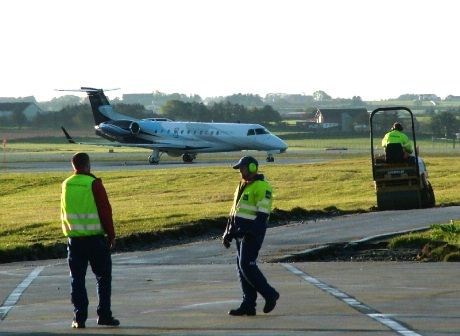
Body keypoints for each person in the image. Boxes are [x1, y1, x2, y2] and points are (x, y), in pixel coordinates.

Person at [61, 152, 120, 329]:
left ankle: (79, 318)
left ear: (73, 166)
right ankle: (104, 314)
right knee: (103, 277)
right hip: (95, 239)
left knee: (77, 279)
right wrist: (111, 235)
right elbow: (105, 211)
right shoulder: (93, 183)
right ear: (88, 165)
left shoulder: (66, 184)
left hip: (75, 239)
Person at [222, 156, 280, 316]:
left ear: (253, 168)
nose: (240, 171)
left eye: (243, 168)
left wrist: (252, 232)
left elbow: (263, 214)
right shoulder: (242, 185)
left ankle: (270, 294)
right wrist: (228, 232)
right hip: (240, 233)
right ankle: (248, 304)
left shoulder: (262, 187)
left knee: (247, 265)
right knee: (242, 268)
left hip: (252, 234)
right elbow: (234, 211)